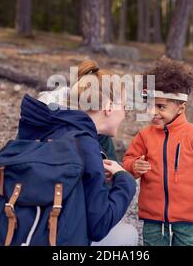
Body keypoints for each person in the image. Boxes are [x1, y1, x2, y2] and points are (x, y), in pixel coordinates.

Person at [28, 59, 137, 245]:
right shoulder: (87, 146)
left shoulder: (51, 130)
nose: (125, 114)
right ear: (109, 107)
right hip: (59, 241)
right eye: (124, 107)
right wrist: (125, 180)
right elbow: (99, 226)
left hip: (24, 232)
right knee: (129, 234)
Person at [123, 58, 193, 246]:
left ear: (181, 107)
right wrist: (134, 166)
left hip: (190, 220)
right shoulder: (144, 136)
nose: (153, 112)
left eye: (160, 106)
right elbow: (127, 162)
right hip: (153, 219)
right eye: (150, 106)